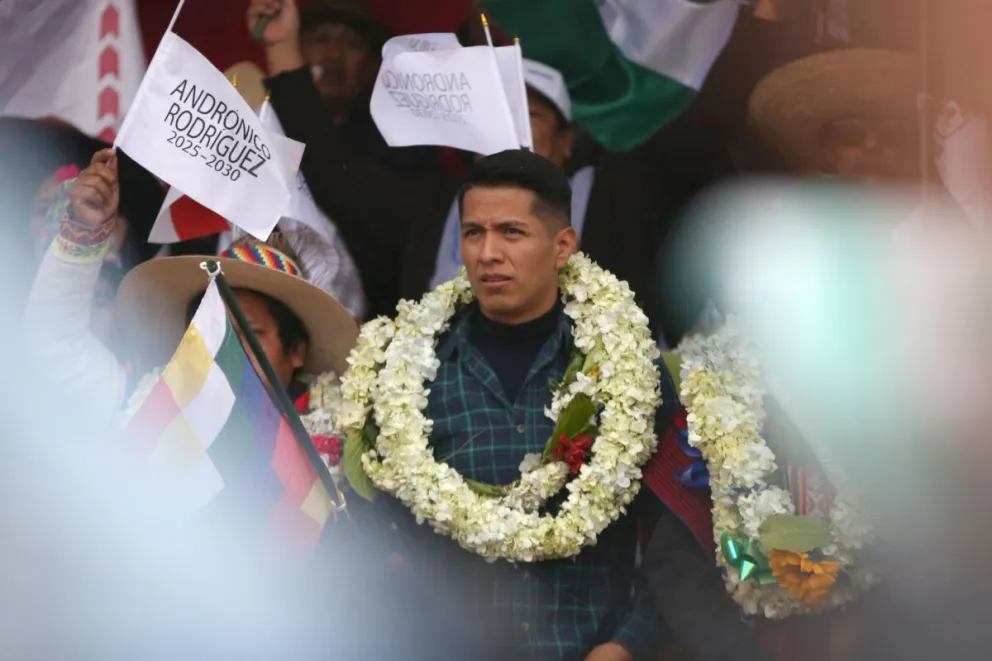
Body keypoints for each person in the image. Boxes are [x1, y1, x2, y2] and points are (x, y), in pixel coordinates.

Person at [338, 148, 688, 661]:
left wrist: (625, 645)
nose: (487, 253)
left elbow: (676, 534)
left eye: (512, 232)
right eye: (473, 233)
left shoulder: (628, 370)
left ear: (562, 245)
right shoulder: (406, 374)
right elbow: (373, 531)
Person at [22, 147, 358, 428]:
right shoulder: (145, 411)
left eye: (252, 335)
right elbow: (55, 341)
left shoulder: (339, 441)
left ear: (296, 351)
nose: (226, 353)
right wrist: (85, 228)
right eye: (212, 330)